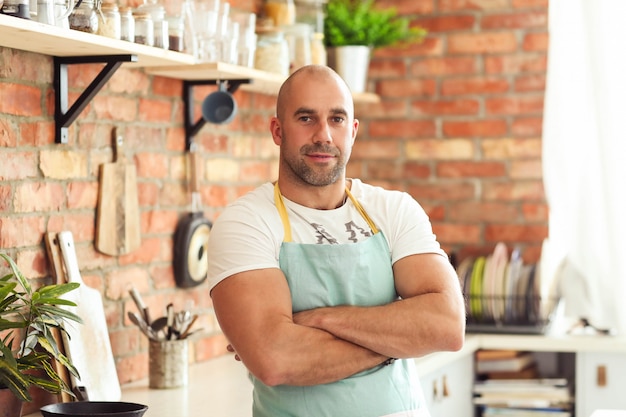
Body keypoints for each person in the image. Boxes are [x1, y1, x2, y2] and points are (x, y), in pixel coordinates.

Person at [207, 65, 466, 417]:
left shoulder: (394, 209)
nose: (323, 134)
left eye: (337, 119)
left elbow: (447, 326)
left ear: (354, 131)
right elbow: (275, 360)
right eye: (306, 118)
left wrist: (320, 320)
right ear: (277, 130)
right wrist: (399, 341)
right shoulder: (245, 223)